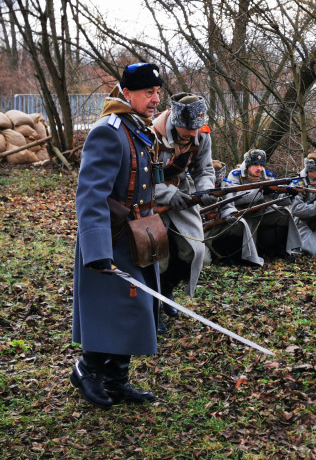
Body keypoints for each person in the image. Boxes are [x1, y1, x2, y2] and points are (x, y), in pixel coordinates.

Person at [71, 62, 163, 410]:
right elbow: (90, 194)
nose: (155, 99)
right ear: (127, 94)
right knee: (117, 309)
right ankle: (86, 371)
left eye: (157, 92)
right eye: (147, 93)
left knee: (136, 309)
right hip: (109, 239)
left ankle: (116, 379)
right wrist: (96, 250)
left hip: (136, 237)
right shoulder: (108, 131)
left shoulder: (138, 128)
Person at [152, 92, 217, 332]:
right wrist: (166, 194)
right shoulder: (151, 134)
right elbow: (140, 176)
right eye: (187, 130)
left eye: (195, 129)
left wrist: (207, 190)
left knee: (193, 249)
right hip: (151, 198)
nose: (193, 134)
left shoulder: (202, 135)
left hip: (184, 193)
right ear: (174, 121)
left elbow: (204, 169)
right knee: (156, 257)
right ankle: (153, 307)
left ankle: (167, 290)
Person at [222, 149, 300, 258]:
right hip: (242, 214)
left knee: (283, 214)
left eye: (261, 165)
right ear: (248, 164)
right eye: (255, 164)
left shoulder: (266, 175)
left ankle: (279, 249)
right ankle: (233, 254)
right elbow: (234, 198)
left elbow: (277, 196)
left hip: (260, 212)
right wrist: (261, 191)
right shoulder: (235, 175)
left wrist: (289, 194)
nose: (259, 168)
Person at [203, 157, 264, 267]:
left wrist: (230, 214)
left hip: (217, 226)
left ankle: (230, 255)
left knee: (239, 223)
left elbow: (229, 206)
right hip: (201, 228)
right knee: (204, 262)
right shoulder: (193, 185)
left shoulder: (225, 185)